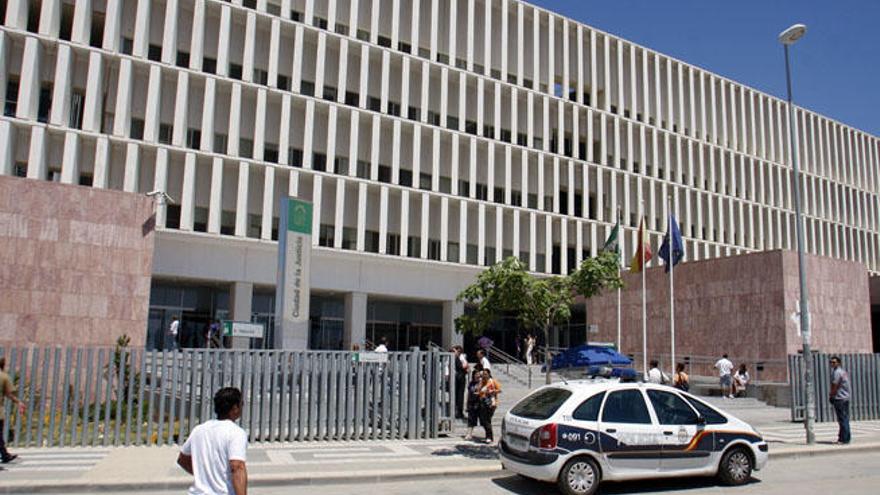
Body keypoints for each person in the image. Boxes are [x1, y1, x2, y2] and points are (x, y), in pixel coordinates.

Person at [177, 387, 248, 495]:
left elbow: (182, 459)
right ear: (235, 408)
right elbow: (237, 467)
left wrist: (203, 475)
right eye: (242, 404)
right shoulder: (236, 433)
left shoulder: (199, 430)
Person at [1, 357, 25, 465]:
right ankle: (5, 455)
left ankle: (5, 455)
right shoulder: (4, 377)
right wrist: (18, 402)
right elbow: (8, 393)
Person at [829, 356, 851, 445]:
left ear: (838, 363)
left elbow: (835, 385)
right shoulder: (842, 372)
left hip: (840, 398)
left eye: (834, 362)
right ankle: (846, 437)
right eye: (831, 362)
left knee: (842, 419)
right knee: (845, 418)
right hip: (845, 398)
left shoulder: (837, 372)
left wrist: (831, 395)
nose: (832, 364)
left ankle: (843, 439)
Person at [477, 370, 501, 444]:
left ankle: (489, 437)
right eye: (483, 374)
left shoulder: (493, 381)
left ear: (489, 374)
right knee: (484, 420)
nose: (484, 375)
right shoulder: (482, 382)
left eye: (486, 374)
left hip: (492, 403)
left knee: (487, 420)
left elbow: (499, 390)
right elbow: (478, 390)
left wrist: (493, 391)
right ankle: (488, 436)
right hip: (483, 402)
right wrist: (481, 382)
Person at [463, 370, 482, 441]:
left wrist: (480, 383)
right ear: (473, 375)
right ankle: (469, 434)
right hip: (472, 403)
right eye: (476, 374)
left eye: (479, 374)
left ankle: (488, 435)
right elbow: (469, 394)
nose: (478, 376)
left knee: (483, 420)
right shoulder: (471, 383)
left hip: (479, 403)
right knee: (471, 419)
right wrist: (467, 404)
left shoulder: (482, 383)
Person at [452, 345, 468, 420]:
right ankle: (457, 412)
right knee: (457, 396)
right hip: (457, 378)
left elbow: (463, 366)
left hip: (460, 377)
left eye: (457, 351)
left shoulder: (460, 357)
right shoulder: (455, 358)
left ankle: (459, 412)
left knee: (460, 396)